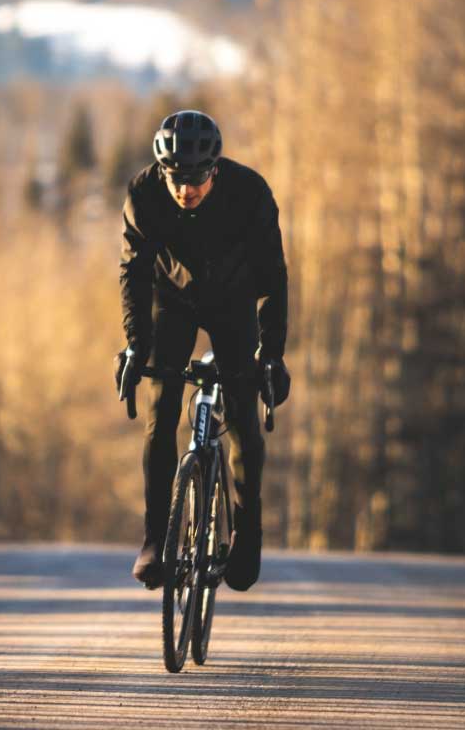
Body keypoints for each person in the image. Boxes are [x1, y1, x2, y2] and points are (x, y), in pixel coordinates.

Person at [118, 109, 291, 592]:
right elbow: (132, 272)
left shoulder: (250, 194)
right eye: (175, 178)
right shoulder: (144, 193)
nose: (184, 190)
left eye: (195, 179)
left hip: (234, 302)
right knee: (161, 411)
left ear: (214, 169)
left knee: (241, 416)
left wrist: (272, 354)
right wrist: (136, 346)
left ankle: (247, 531)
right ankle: (155, 537)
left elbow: (275, 280)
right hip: (171, 301)